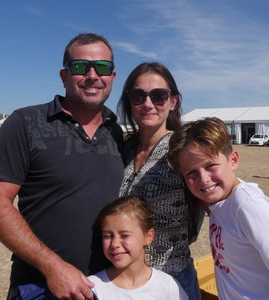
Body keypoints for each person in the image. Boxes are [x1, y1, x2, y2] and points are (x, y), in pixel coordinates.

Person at [0, 33, 124, 300]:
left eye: (102, 67)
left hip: (107, 286)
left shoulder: (115, 132)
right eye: (81, 67)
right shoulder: (26, 123)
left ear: (112, 77)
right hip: (43, 285)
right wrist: (53, 266)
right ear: (64, 75)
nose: (92, 75)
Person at [117, 62, 203, 300]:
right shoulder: (123, 148)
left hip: (172, 280)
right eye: (138, 95)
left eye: (158, 96)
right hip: (126, 280)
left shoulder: (183, 148)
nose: (148, 104)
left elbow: (220, 190)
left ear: (173, 101)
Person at [167, 117, 269, 299]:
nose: (204, 179)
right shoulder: (220, 203)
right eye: (191, 173)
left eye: (211, 165)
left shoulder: (248, 206)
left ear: (233, 160)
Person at [88, 195, 189, 299]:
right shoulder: (92, 288)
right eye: (107, 236)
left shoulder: (168, 286)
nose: (114, 244)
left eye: (124, 235)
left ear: (148, 237)